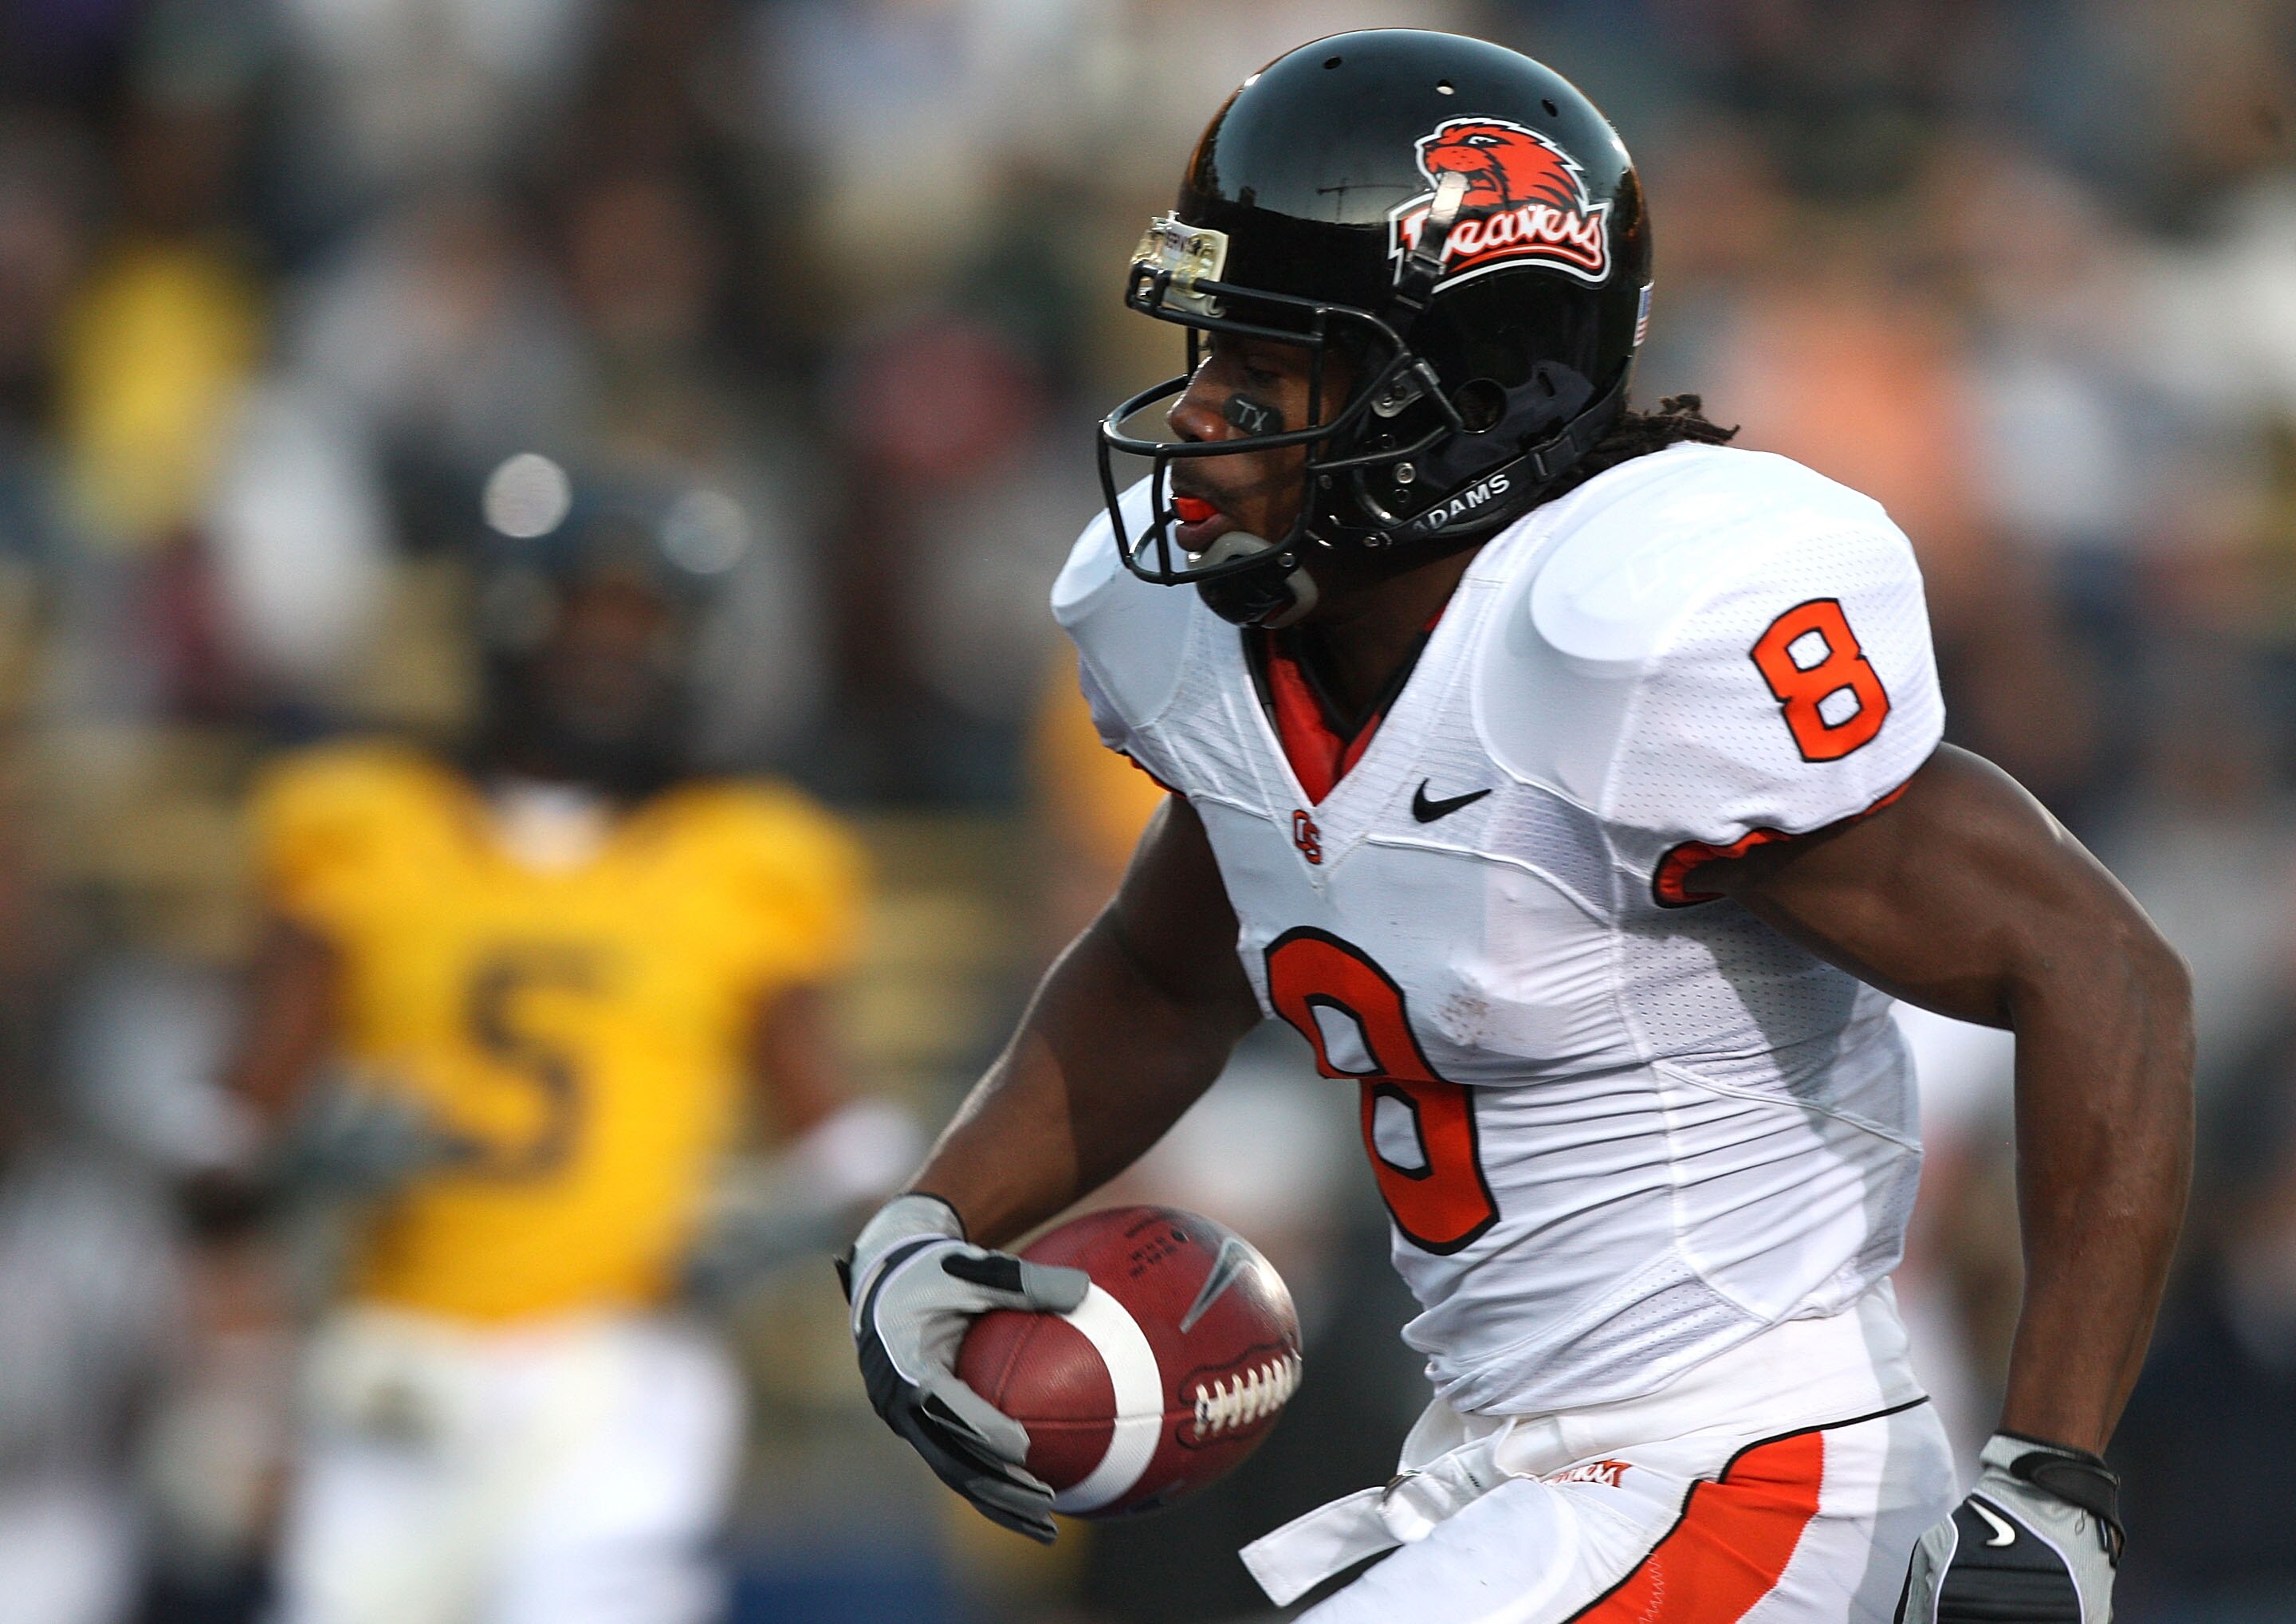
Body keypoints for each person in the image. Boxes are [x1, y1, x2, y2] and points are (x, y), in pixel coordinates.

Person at [842, 30, 2192, 1624]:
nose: (1198, 418)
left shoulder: (1626, 641)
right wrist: (924, 1229)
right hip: (1509, 1476)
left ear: (1455, 401)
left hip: (1746, 1473)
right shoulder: (1222, 641)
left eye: (1262, 372)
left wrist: (2052, 1476)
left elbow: (2105, 970)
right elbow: (1162, 970)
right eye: (1205, 355)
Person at [219, 462, 909, 1624]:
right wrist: (296, 1170)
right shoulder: (362, 819)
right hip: (397, 1359)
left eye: (643, 620)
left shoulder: (745, 855)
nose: (611, 649)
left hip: (617, 1362)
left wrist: (795, 1222)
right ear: (505, 618)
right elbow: (218, 1137)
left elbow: (848, 1142)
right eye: (583, 611)